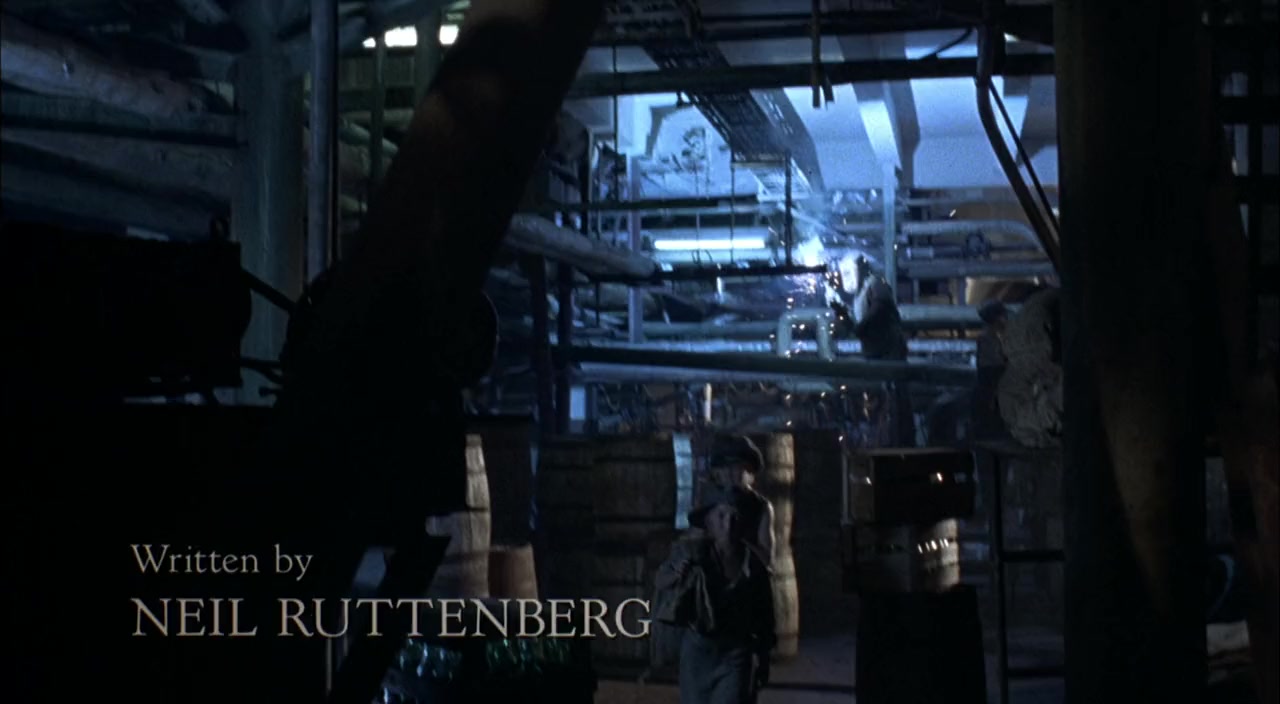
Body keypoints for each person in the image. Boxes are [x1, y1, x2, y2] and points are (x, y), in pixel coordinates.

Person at [656, 485, 777, 704]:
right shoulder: (692, 553)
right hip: (698, 651)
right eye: (721, 516)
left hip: (736, 652)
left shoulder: (752, 563)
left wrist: (764, 657)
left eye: (734, 517)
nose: (728, 524)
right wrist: (677, 573)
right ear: (708, 522)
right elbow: (661, 581)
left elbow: (765, 613)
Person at [707, 434, 775, 566]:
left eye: (736, 467)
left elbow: (766, 559)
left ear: (749, 471)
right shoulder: (710, 503)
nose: (729, 474)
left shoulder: (760, 506)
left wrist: (735, 544)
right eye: (724, 468)